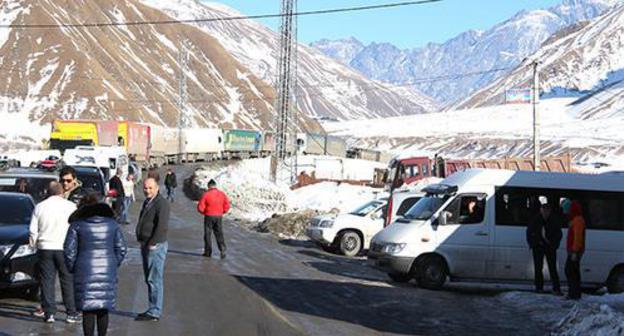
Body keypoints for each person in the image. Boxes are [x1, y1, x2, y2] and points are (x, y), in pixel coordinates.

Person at [64, 194, 127, 336]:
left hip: (83, 270)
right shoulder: (112, 224)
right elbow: (122, 249)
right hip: (107, 270)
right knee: (103, 309)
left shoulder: (77, 225)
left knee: (88, 309)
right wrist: (112, 264)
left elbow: (69, 250)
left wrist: (73, 268)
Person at [29, 181, 80, 323]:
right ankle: (71, 313)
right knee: (67, 280)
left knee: (47, 280)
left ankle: (49, 313)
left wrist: (34, 245)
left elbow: (33, 230)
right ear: (61, 192)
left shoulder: (40, 207)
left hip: (45, 247)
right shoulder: (70, 206)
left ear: (47, 192)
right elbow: (75, 227)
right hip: (64, 248)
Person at [135, 177, 170, 321]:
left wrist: (153, 242)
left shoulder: (161, 203)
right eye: (145, 188)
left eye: (150, 188)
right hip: (146, 243)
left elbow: (162, 225)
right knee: (149, 279)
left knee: (154, 279)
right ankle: (152, 308)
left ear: (157, 188)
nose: (147, 191)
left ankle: (155, 311)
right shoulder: (148, 202)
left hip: (155, 246)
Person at [526, 203, 564, 294]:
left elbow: (559, 234)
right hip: (538, 246)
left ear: (550, 211)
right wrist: (534, 243)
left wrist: (554, 245)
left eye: (547, 211)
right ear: (541, 210)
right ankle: (539, 287)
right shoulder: (535, 220)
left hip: (550, 247)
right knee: (538, 267)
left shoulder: (554, 220)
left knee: (553, 268)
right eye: (544, 210)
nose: (545, 213)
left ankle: (556, 288)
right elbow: (529, 232)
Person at [197, 179, 231, 259]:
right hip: (219, 216)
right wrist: (223, 211)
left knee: (207, 234)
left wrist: (204, 212)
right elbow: (227, 205)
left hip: (209, 216)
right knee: (219, 233)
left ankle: (208, 252)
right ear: (215, 186)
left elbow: (200, 207)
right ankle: (222, 249)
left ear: (209, 186)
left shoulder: (206, 194)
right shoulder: (222, 194)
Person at [565, 200, 586, 300]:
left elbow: (578, 238)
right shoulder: (576, 219)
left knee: (570, 271)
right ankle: (574, 293)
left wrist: (574, 251)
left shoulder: (578, 220)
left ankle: (573, 294)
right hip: (574, 250)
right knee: (574, 272)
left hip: (574, 251)